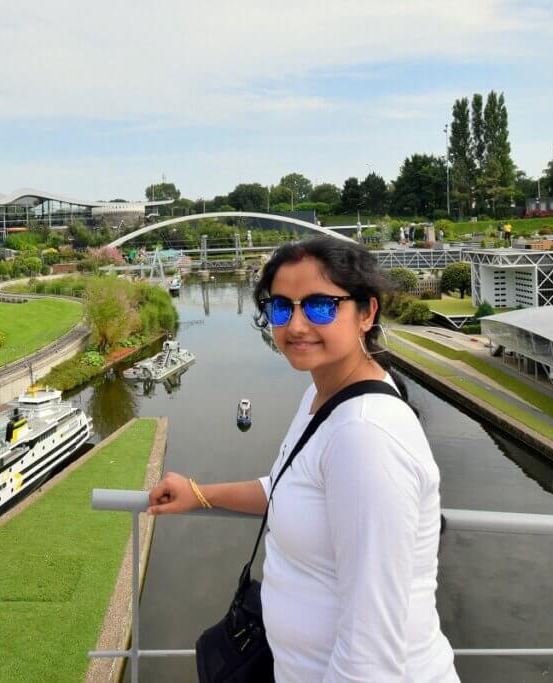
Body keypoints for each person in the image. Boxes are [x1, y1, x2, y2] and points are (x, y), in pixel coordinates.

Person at [148, 236, 458, 682]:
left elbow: (371, 650)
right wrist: (197, 494)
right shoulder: (320, 394)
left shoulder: (364, 435)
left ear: (366, 313)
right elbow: (286, 488)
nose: (295, 325)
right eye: (281, 307)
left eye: (319, 306)